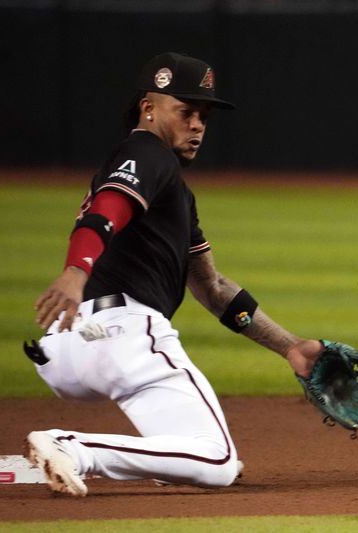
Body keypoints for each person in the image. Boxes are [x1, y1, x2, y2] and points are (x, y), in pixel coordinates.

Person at [23, 52, 323, 497]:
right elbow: (107, 210)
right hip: (122, 333)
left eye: (203, 115)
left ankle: (170, 461)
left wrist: (290, 347)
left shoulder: (173, 192)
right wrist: (74, 270)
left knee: (196, 454)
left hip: (71, 348)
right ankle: (74, 448)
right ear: (149, 107)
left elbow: (212, 288)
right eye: (185, 111)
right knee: (219, 460)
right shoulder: (148, 154)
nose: (198, 124)